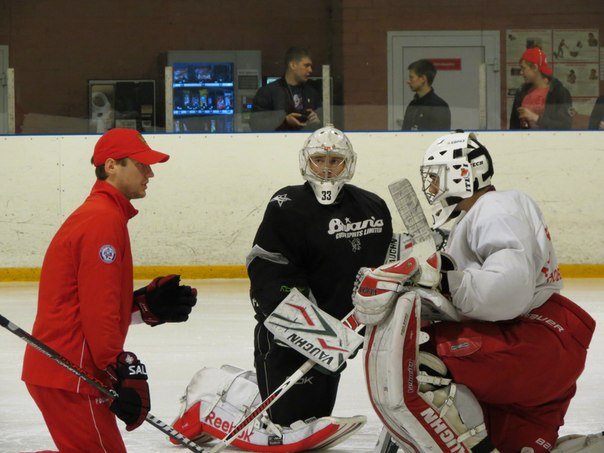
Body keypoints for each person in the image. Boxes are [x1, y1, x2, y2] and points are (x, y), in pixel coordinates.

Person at [353, 131, 596, 452]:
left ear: (462, 174)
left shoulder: (495, 206)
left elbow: (509, 290)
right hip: (541, 348)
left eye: (435, 177)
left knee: (417, 364)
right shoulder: (484, 215)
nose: (432, 188)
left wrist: (442, 282)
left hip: (530, 340)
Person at [21, 128, 198, 453]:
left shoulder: (104, 214)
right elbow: (98, 310)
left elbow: (91, 303)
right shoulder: (102, 220)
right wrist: (120, 365)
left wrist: (144, 306)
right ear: (112, 166)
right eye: (142, 165)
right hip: (73, 371)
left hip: (64, 368)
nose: (150, 172)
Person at [246, 126, 393, 427]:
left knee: (315, 418)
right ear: (306, 162)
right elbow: (268, 267)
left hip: (344, 332)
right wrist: (305, 324)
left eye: (335, 160)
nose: (326, 169)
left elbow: (385, 266)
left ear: (348, 163)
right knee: (290, 421)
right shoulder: (286, 205)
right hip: (294, 334)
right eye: (319, 160)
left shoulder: (372, 206)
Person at [250, 46, 322, 132]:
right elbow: (255, 124)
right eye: (306, 65)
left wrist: (317, 121)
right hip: (277, 143)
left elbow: (325, 127)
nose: (310, 70)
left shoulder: (311, 93)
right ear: (293, 65)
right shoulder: (268, 92)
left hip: (306, 142)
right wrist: (284, 120)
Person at [510, 47, 573, 129]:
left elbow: (565, 126)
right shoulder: (521, 92)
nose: (521, 72)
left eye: (523, 68)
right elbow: (514, 125)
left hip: (550, 141)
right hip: (526, 140)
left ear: (535, 68)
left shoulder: (559, 92)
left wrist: (535, 118)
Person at [401, 59, 451, 131]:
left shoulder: (439, 106)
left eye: (411, 77)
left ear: (423, 79)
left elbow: (439, 136)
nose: (408, 81)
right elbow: (404, 132)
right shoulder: (412, 104)